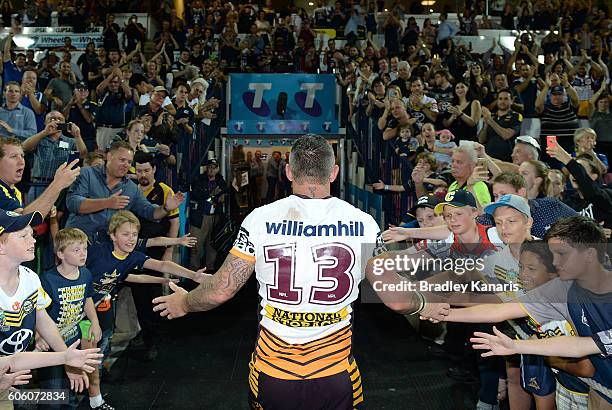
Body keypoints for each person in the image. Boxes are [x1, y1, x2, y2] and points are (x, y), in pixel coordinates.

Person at [152, 134, 448, 409]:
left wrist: (184, 302)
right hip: (335, 372)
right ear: (334, 172)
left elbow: (221, 289)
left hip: (273, 371)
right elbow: (396, 299)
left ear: (289, 173)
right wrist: (425, 302)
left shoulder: (260, 219)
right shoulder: (363, 223)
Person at [427, 216, 612, 407]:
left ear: (589, 254)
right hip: (600, 391)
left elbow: (584, 349)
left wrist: (521, 346)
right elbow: (501, 310)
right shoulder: (563, 286)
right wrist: (442, 312)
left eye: (562, 254)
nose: (555, 261)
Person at [84, 210, 207, 407]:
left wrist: (193, 276)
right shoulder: (96, 252)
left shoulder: (131, 257)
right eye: (125, 234)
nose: (131, 239)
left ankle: (92, 389)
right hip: (78, 309)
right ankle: (80, 394)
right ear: (112, 235)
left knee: (101, 346)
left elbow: (161, 264)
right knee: (82, 352)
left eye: (134, 234)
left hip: (102, 307)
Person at [0, 210, 90, 397]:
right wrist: (64, 357)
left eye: (32, 235)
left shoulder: (30, 278)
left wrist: (68, 358)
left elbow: (42, 317)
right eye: (23, 236)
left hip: (13, 372)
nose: (33, 241)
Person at [38, 228, 105, 409]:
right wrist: (38, 335)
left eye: (84, 249)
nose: (83, 254)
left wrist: (95, 322)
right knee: (52, 395)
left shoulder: (85, 274)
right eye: (76, 250)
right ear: (60, 253)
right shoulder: (46, 279)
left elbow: (87, 298)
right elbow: (37, 311)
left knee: (71, 387)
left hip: (73, 341)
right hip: (52, 347)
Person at [65, 141, 184, 241]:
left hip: (108, 248)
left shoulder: (131, 188)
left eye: (129, 162)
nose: (126, 165)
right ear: (109, 157)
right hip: (77, 242)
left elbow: (150, 212)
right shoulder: (87, 173)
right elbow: (73, 203)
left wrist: (166, 208)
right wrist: (107, 202)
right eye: (122, 160)